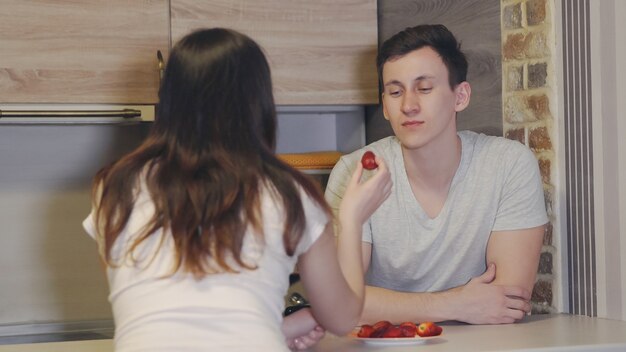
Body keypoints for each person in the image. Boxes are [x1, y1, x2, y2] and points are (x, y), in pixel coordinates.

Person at [82, 28, 392, 351]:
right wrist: (352, 218)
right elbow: (342, 318)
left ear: (170, 99)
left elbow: (157, 311)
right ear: (258, 103)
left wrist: (279, 328)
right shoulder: (288, 192)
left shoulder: (114, 188)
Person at [324, 24, 548, 325]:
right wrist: (454, 305)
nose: (408, 106)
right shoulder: (356, 172)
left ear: (461, 96)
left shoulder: (508, 165)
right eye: (395, 91)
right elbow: (338, 302)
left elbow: (508, 300)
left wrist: (384, 304)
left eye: (424, 89)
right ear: (386, 106)